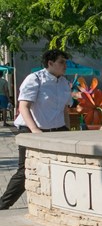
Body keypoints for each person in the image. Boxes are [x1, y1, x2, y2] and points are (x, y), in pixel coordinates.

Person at [0, 49, 74, 210]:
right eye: (62, 62)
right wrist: (35, 130)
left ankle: (61, 202)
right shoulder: (34, 79)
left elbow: (65, 110)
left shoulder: (63, 83)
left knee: (63, 165)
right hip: (31, 129)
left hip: (57, 129)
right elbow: (23, 106)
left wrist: (68, 132)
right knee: (26, 169)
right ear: (50, 63)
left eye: (65, 62)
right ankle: (3, 203)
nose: (65, 66)